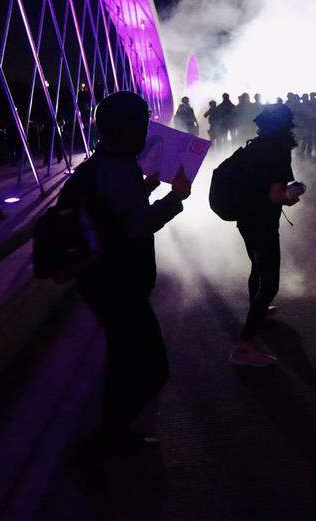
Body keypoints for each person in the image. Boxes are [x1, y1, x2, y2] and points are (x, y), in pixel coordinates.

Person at [69, 91, 191, 456]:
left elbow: (114, 212)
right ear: (128, 127)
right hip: (117, 284)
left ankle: (114, 437)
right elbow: (136, 226)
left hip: (101, 279)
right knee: (153, 367)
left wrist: (147, 187)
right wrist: (176, 197)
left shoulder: (106, 162)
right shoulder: (118, 168)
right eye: (143, 122)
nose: (148, 129)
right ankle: (100, 447)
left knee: (124, 361)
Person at [231, 103, 303, 367]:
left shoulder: (254, 146)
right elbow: (276, 195)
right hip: (262, 222)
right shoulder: (278, 151)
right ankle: (244, 347)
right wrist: (292, 197)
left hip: (246, 219)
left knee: (257, 269)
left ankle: (257, 314)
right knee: (270, 282)